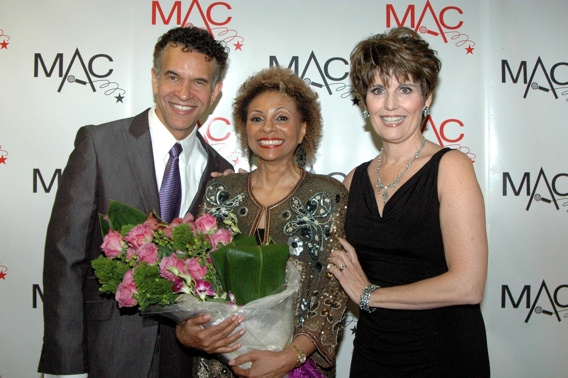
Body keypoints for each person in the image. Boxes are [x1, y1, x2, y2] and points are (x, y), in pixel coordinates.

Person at [38, 26, 233, 378]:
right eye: (173, 77)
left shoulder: (222, 172)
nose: (184, 93)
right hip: (106, 352)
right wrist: (66, 365)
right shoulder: (100, 144)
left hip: (184, 361)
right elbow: (65, 257)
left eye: (199, 82)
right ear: (155, 78)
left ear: (215, 91)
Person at [327, 27, 490, 376]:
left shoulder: (450, 168)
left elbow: (469, 285)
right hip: (373, 354)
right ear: (364, 100)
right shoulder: (354, 180)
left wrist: (370, 295)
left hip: (444, 354)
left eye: (405, 89)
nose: (390, 104)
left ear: (426, 97)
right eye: (377, 90)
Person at [175, 66, 349, 377]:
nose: (268, 128)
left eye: (282, 118)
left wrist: (291, 355)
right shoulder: (221, 192)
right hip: (220, 361)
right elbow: (193, 274)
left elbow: (333, 291)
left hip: (296, 367)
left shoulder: (327, 195)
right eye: (257, 119)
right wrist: (188, 327)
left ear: (303, 129)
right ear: (245, 129)